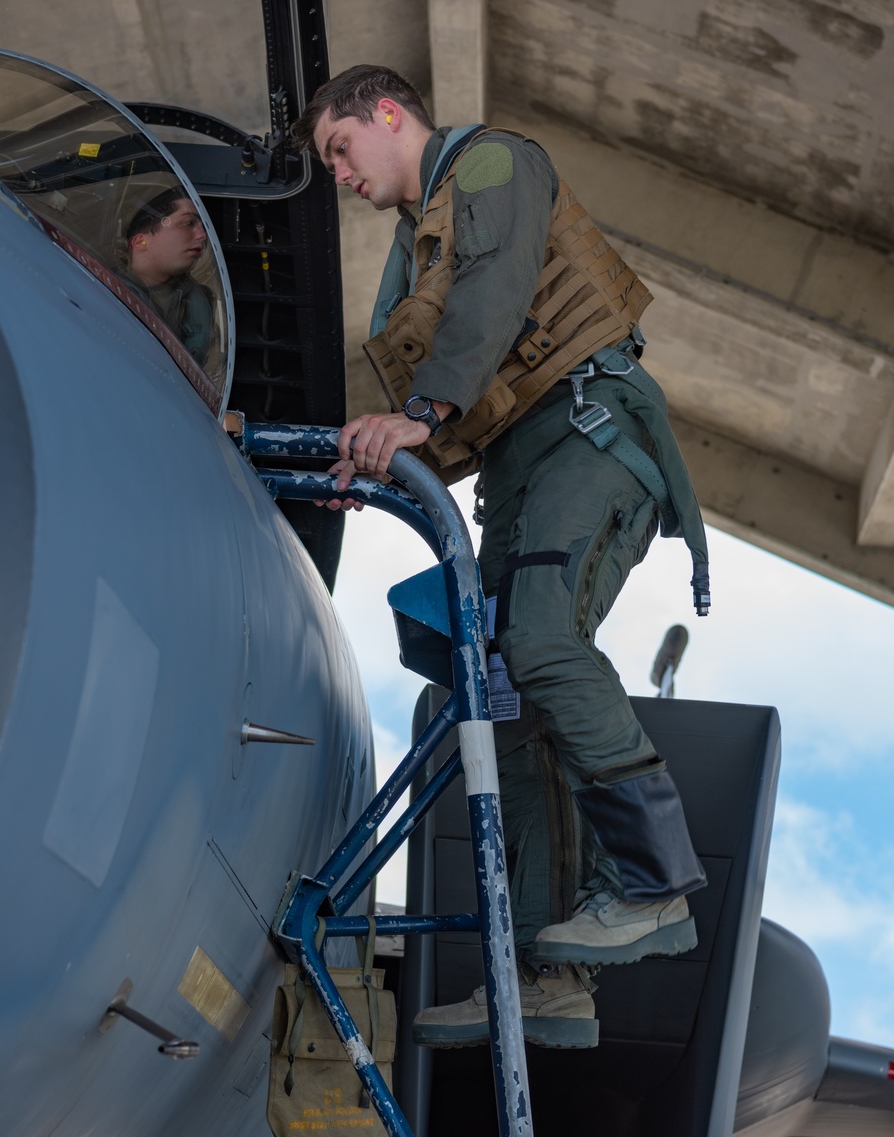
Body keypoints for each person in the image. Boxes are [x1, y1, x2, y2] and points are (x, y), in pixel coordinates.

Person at [292, 66, 711, 1051]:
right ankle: (548, 978)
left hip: (586, 435)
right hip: (518, 471)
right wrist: (347, 458)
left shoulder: (488, 163)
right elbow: (413, 375)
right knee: (503, 699)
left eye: (339, 150)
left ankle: (653, 883)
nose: (340, 176)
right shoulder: (411, 252)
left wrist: (420, 413)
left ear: (385, 113)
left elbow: (494, 287)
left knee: (537, 638)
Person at [121, 187, 214, 366]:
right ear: (140, 242)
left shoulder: (201, 300)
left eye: (204, 227)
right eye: (188, 223)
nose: (203, 235)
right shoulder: (100, 290)